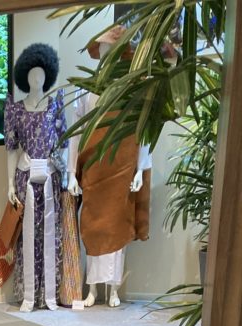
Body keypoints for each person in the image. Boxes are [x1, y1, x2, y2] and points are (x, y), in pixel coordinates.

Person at [66, 28, 152, 308]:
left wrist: (140, 169)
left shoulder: (133, 88)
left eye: (110, 52)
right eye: (102, 52)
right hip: (93, 166)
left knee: (118, 225)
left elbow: (144, 129)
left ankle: (113, 289)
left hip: (123, 166)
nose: (106, 57)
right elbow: (76, 132)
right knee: (92, 226)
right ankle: (92, 289)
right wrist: (71, 172)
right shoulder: (86, 89)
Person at [4, 43, 67, 312]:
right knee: (26, 235)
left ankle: (49, 293)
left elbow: (64, 142)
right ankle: (29, 294)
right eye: (31, 74)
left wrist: (67, 173)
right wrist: (9, 183)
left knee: (50, 233)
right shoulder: (15, 109)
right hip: (25, 177)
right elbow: (11, 149)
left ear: (48, 75)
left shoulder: (55, 105)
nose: (36, 78)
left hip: (51, 177)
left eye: (41, 73)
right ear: (24, 76)